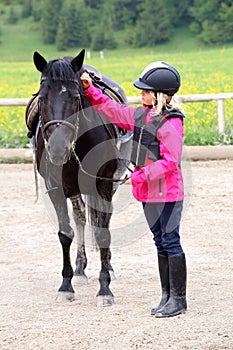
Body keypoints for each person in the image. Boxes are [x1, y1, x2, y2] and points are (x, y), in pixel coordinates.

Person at [81, 61, 187, 318]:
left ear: (159, 94)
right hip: (148, 194)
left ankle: (179, 300)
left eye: (144, 90)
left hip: (168, 194)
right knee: (160, 242)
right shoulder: (141, 116)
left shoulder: (171, 123)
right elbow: (113, 111)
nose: (140, 94)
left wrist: (139, 177)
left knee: (171, 242)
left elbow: (170, 163)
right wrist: (90, 89)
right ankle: (166, 296)